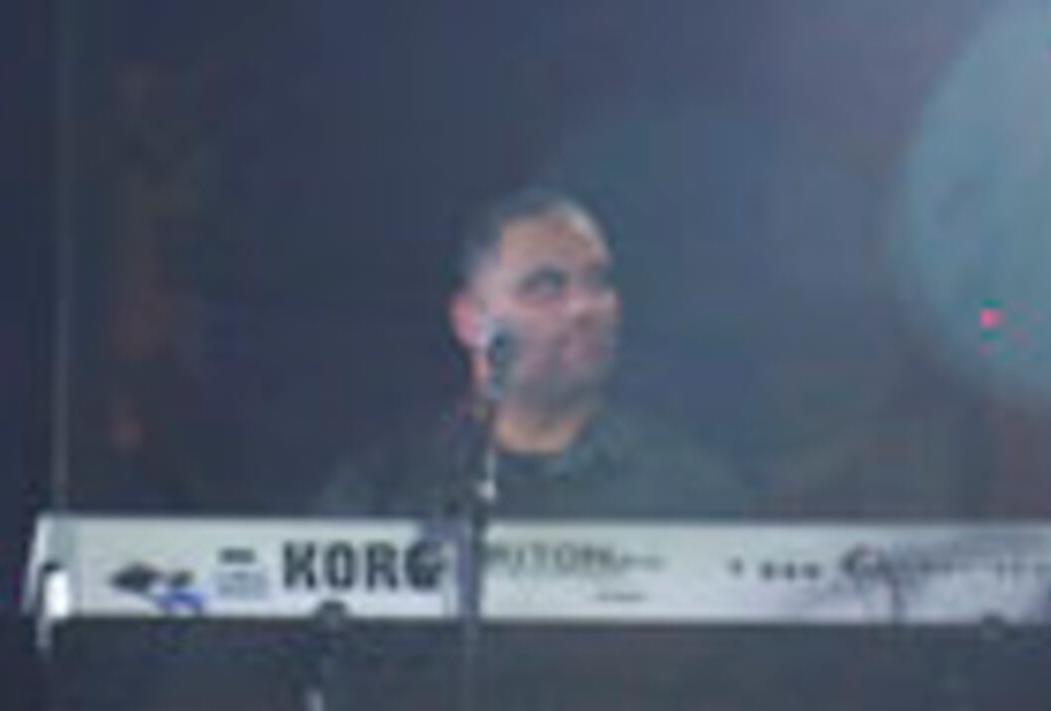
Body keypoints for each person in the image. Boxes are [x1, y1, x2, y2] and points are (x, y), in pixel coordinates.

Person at [314, 185, 750, 523]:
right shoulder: (385, 488)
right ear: (469, 320)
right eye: (545, 287)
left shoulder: (687, 488)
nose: (586, 307)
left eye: (598, 282)